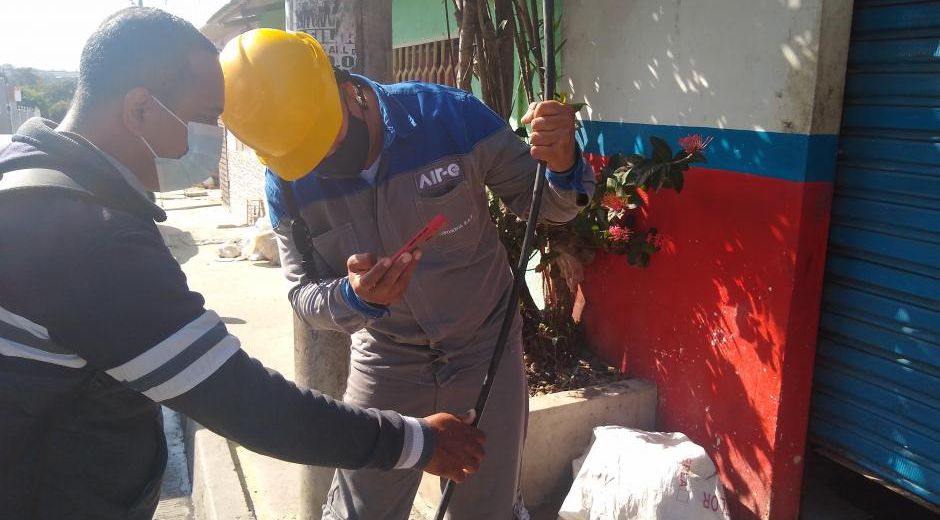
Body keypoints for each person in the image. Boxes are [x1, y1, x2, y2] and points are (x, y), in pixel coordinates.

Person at [0, 9, 484, 520]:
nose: (215, 137)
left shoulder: (28, 175)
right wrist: (420, 443)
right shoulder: (89, 237)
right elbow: (248, 405)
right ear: (141, 110)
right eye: (208, 116)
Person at [220, 28, 595, 520]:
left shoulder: (447, 117)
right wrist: (351, 298)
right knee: (360, 510)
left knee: (486, 506)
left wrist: (563, 162)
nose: (326, 161)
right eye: (305, 156)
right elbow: (303, 296)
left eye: (325, 139)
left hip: (485, 348)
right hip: (385, 359)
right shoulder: (286, 183)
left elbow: (549, 205)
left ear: (344, 87)